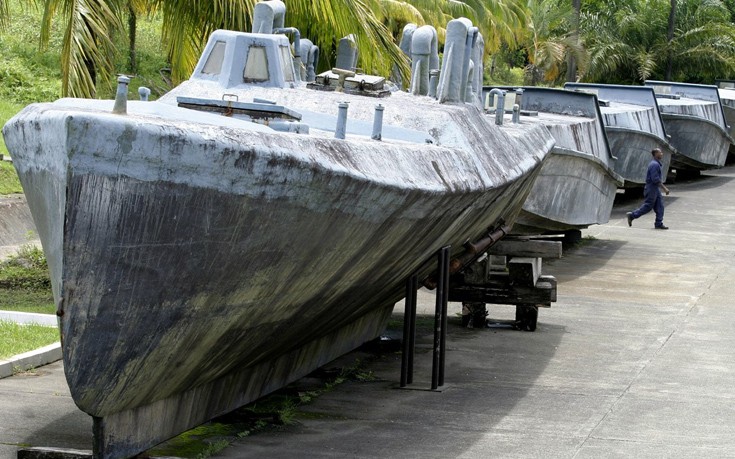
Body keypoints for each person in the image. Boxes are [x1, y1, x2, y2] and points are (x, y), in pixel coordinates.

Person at [627, 148, 670, 229]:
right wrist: (665, 188)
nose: (662, 153)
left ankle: (658, 223)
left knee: (660, 206)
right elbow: (655, 179)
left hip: (655, 189)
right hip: (651, 189)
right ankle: (632, 215)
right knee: (648, 206)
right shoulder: (654, 165)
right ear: (656, 154)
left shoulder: (656, 164)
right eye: (660, 152)